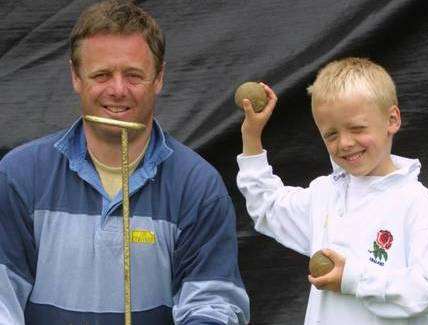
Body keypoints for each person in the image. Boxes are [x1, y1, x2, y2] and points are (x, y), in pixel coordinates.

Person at [0, 1, 249, 324]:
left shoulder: (197, 185)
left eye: (133, 75)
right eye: (102, 74)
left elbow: (213, 304)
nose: (118, 90)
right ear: (76, 77)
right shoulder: (20, 175)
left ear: (159, 78)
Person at [236, 57, 428, 324]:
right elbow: (267, 207)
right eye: (331, 135)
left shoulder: (415, 202)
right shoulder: (325, 195)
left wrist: (352, 278)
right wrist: (251, 136)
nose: (345, 143)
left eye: (357, 128)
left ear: (392, 119)